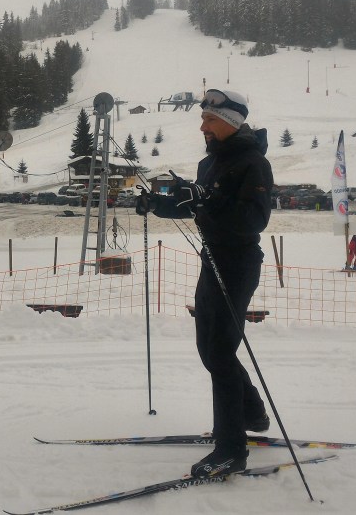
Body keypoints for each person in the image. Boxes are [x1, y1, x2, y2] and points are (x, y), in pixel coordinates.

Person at [135, 88, 273, 479]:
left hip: (239, 261)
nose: (203, 126)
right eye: (203, 120)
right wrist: (158, 204)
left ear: (230, 123)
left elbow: (252, 220)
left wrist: (205, 202)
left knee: (219, 351)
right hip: (212, 259)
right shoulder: (208, 164)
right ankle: (252, 413)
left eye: (210, 120)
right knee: (210, 350)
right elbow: (194, 206)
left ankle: (231, 448)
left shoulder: (253, 164)